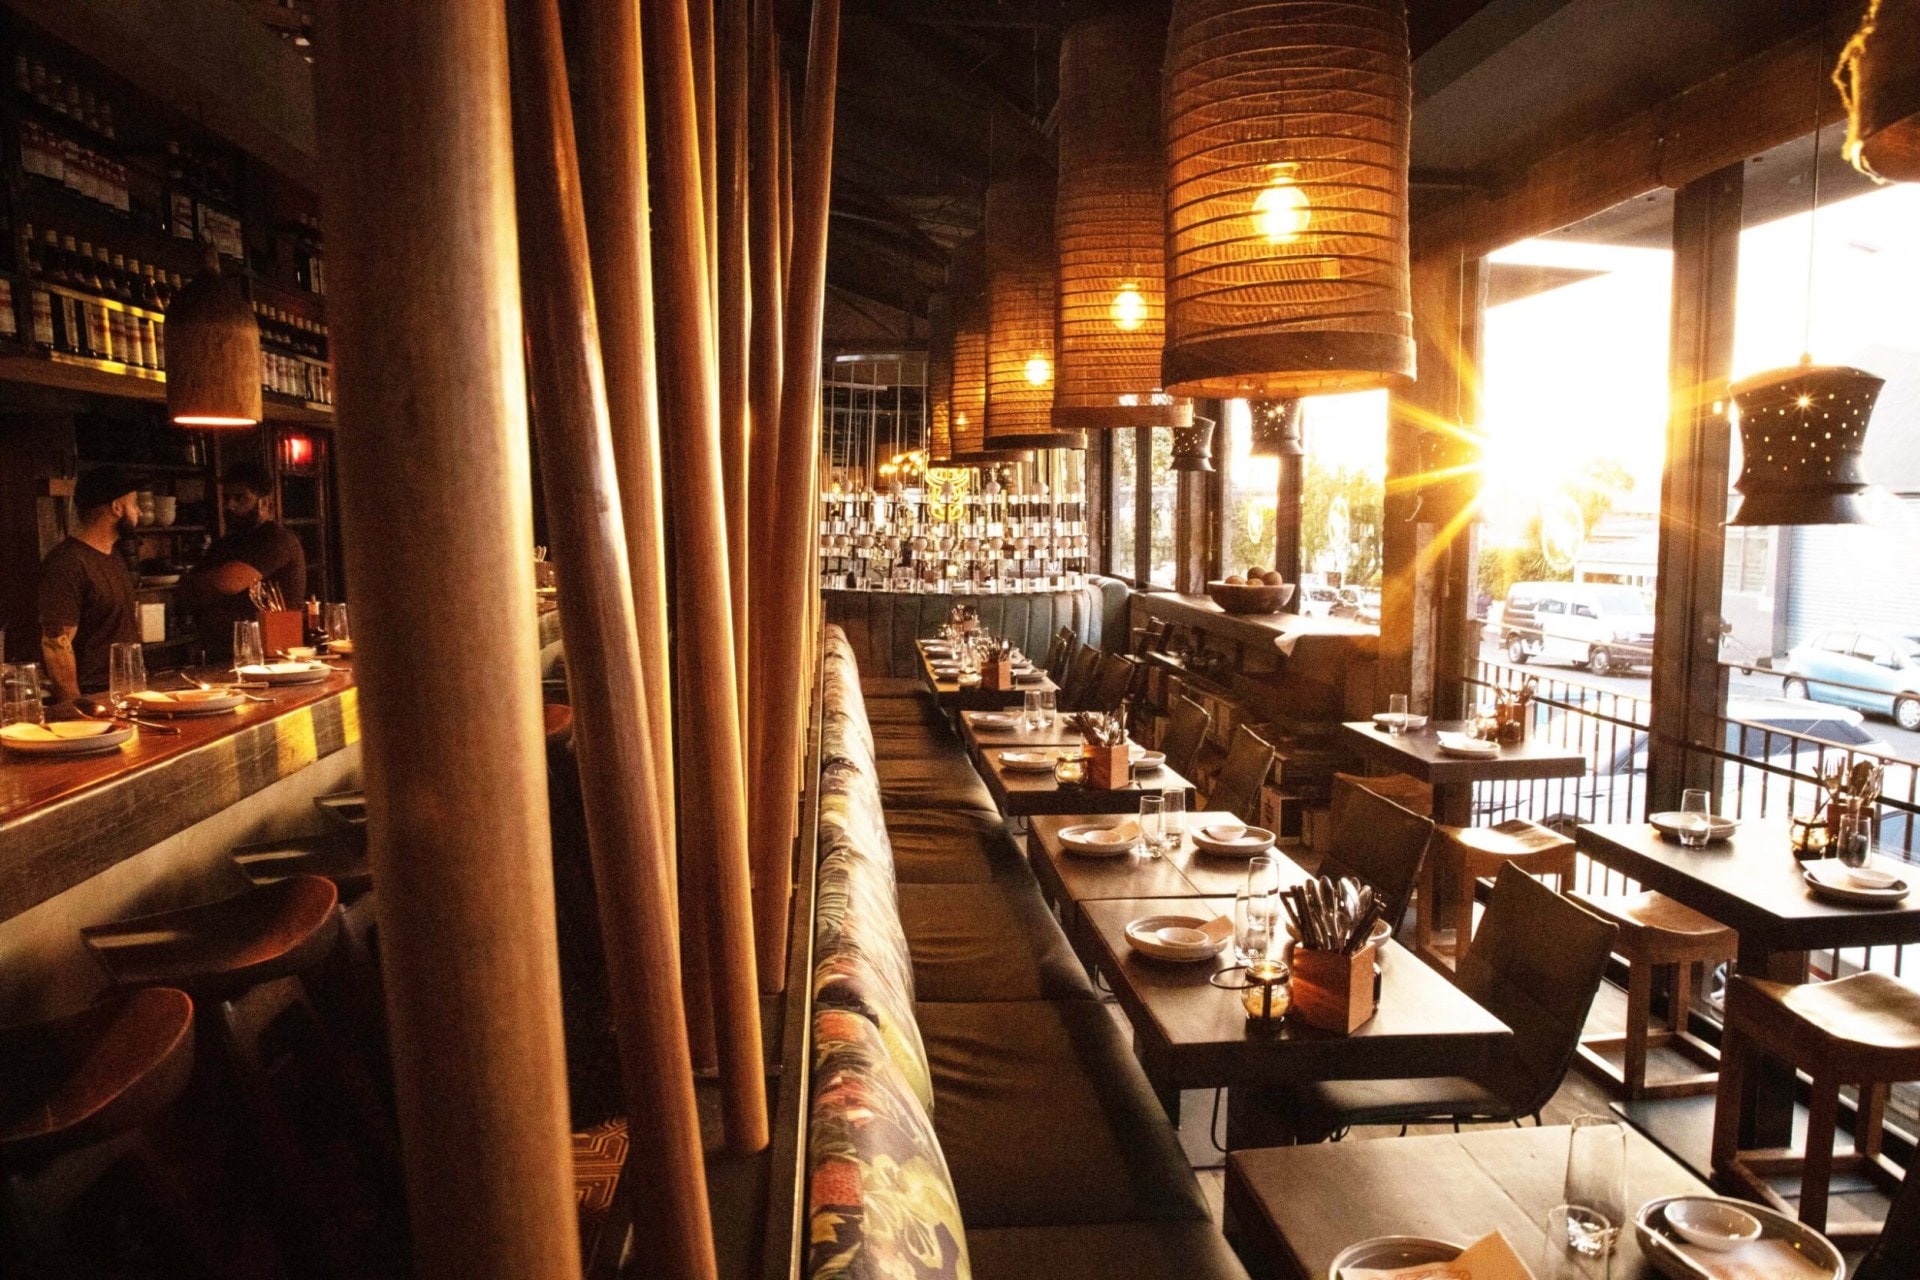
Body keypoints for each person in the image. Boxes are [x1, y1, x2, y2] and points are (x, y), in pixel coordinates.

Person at [178, 460, 307, 659]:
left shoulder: (277, 539)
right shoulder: (226, 542)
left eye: (240, 499)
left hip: (272, 656)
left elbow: (229, 582)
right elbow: (186, 589)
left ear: (264, 503)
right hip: (222, 654)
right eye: (227, 498)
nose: (230, 506)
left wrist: (211, 583)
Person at [39, 465, 142, 704]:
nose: (138, 511)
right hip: (94, 696)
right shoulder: (67, 563)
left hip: (125, 691)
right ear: (117, 508)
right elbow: (56, 645)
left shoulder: (114, 556)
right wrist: (78, 708)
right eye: (134, 503)